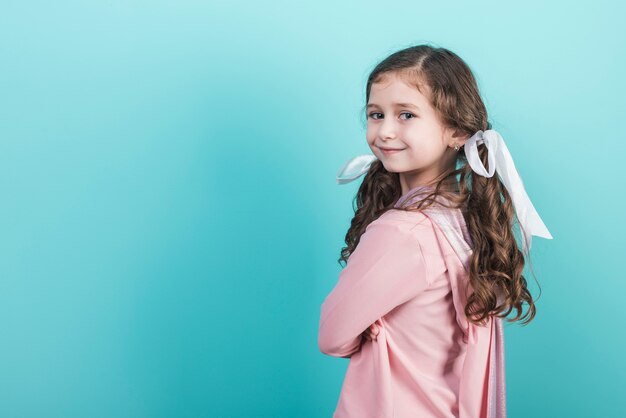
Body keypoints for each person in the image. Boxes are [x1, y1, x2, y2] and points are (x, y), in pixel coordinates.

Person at [317, 44, 553, 418]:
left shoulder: (403, 232)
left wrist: (369, 324)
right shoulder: (464, 217)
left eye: (406, 114)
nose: (385, 131)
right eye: (376, 114)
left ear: (457, 131)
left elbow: (331, 335)